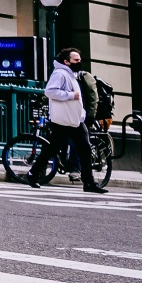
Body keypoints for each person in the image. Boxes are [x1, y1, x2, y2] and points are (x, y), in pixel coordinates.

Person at [30, 47, 106, 193]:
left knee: (83, 148)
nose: (79, 62)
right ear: (66, 61)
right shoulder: (60, 74)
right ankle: (33, 174)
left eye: (79, 60)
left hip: (74, 120)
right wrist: (71, 95)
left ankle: (88, 183)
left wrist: (82, 115)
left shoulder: (71, 74)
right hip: (64, 121)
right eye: (75, 60)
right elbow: (50, 91)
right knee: (56, 148)